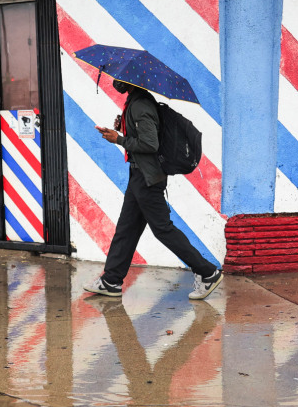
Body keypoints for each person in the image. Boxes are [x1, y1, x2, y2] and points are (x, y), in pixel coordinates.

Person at [85, 79, 223, 300]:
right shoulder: (136, 102)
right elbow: (144, 137)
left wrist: (119, 139)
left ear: (129, 81)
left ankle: (207, 273)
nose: (115, 82)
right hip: (139, 176)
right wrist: (124, 127)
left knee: (163, 229)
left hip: (148, 179)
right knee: (127, 228)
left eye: (118, 79)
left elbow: (151, 144)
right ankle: (111, 280)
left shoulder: (141, 105)